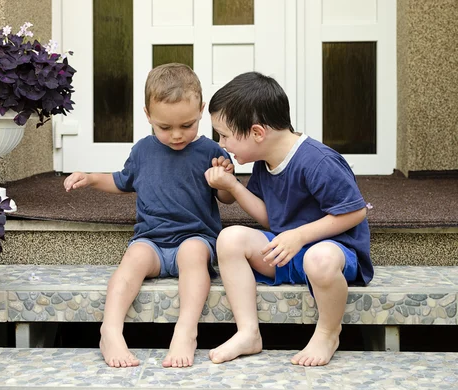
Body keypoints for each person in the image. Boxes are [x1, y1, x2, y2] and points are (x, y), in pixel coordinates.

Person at [64, 63, 235, 368]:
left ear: (201, 111)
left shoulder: (210, 150)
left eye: (187, 125)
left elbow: (225, 198)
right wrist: (90, 178)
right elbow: (121, 180)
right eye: (164, 127)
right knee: (132, 261)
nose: (177, 135)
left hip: (194, 237)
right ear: (147, 115)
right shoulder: (143, 150)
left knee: (194, 254)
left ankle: (186, 329)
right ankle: (111, 330)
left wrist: (224, 180)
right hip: (152, 241)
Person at [204, 71, 372, 367]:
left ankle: (329, 332)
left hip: (332, 254)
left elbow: (355, 211)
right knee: (229, 239)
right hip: (288, 253)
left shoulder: (317, 160)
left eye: (225, 135)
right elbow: (271, 218)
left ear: (257, 132)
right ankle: (248, 332)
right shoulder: (264, 162)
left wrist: (300, 236)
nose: (221, 143)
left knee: (317, 260)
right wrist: (231, 186)